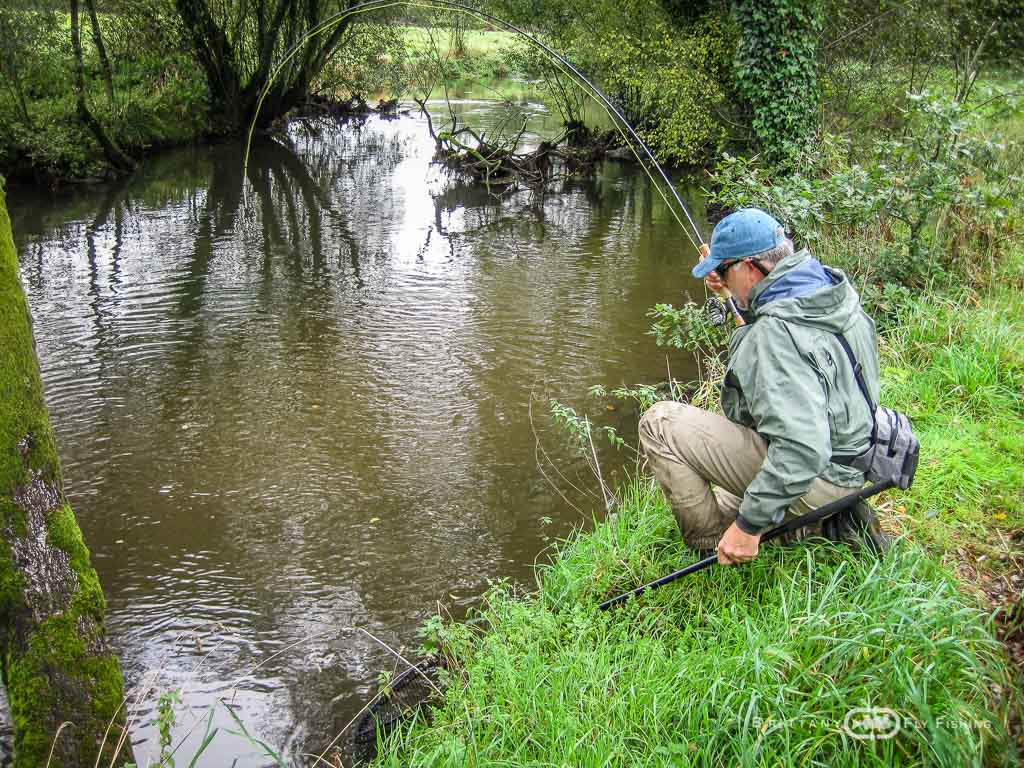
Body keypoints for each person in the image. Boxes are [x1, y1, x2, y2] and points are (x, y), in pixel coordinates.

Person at [638, 208, 888, 566]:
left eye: (725, 269)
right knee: (729, 492)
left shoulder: (775, 334)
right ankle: (799, 522)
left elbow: (803, 449)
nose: (720, 276)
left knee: (659, 423)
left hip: (819, 475)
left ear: (751, 267)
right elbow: (779, 327)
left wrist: (747, 527)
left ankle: (711, 543)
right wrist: (731, 293)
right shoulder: (826, 292)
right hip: (853, 463)